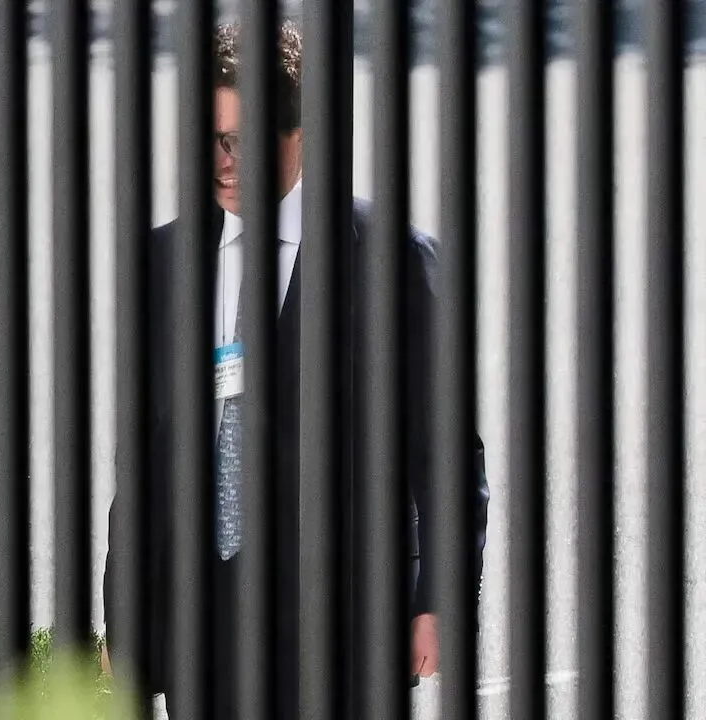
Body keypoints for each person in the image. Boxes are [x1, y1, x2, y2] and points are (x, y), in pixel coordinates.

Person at [103, 20, 490, 719]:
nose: (222, 162)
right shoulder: (163, 265)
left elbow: (446, 454)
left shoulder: (392, 262)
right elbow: (145, 463)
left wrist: (437, 602)